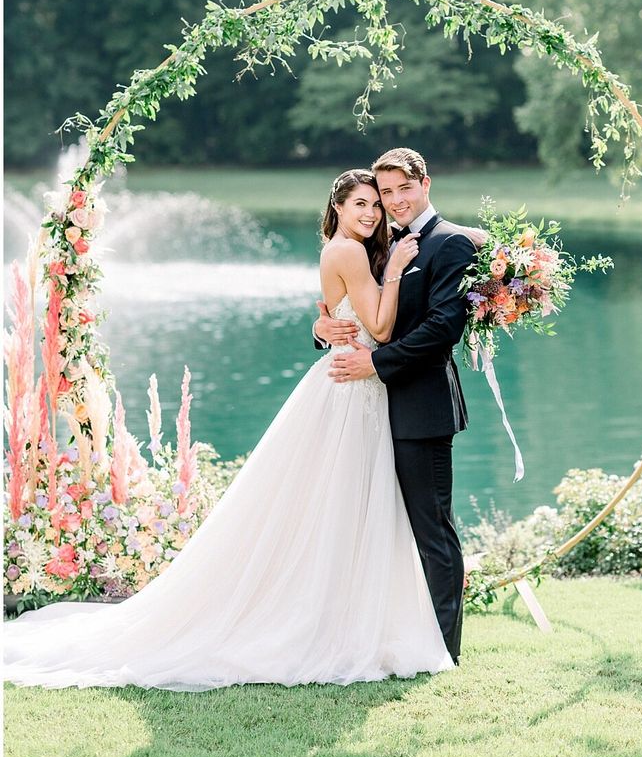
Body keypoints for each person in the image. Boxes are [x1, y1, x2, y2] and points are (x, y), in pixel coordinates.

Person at [3, 170, 454, 691]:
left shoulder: (356, 247)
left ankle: (350, 617)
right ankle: (330, 623)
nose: (374, 212)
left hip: (357, 387)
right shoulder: (354, 252)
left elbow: (354, 317)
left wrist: (325, 321)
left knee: (339, 507)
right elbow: (377, 327)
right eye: (361, 203)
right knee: (341, 505)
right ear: (338, 206)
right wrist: (394, 270)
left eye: (377, 203)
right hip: (352, 391)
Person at [314, 147, 476, 665]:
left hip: (419, 407)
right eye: (385, 194)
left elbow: (441, 329)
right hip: (371, 408)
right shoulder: (381, 244)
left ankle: (445, 650)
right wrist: (322, 331)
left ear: (425, 184)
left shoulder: (450, 243)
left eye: (403, 189)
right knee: (373, 527)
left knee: (432, 531)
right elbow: (356, 308)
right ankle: (383, 634)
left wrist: (375, 365)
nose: (393, 202)